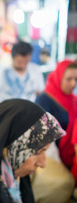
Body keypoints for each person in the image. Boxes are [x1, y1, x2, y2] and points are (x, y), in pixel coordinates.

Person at [35, 60, 77, 188]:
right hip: (52, 158)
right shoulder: (44, 100)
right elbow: (41, 134)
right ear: (59, 76)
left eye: (76, 79)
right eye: (69, 79)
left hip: (72, 155)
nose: (73, 84)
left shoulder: (73, 100)